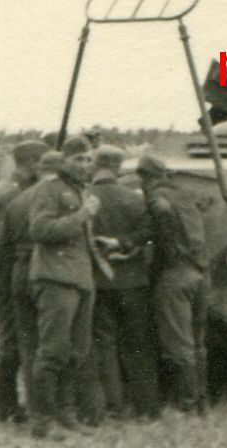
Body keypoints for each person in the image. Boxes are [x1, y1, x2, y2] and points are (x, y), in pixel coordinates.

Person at [27, 136, 107, 440]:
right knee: (52, 352)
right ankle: (42, 421)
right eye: (78, 159)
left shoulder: (82, 190)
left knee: (76, 352)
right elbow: (40, 230)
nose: (85, 165)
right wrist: (82, 216)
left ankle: (65, 413)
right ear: (64, 161)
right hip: (56, 279)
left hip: (80, 279)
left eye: (88, 159)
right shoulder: (48, 190)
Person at [86, 145, 160, 420]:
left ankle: (115, 405)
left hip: (99, 281)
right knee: (138, 344)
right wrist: (124, 243)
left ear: (96, 164)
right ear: (118, 167)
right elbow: (149, 232)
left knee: (104, 344)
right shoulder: (135, 198)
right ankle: (147, 408)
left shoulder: (86, 198)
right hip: (133, 281)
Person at [0, 140, 49, 422]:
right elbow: (5, 244)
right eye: (42, 164)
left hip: (2, 274)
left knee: (14, 341)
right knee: (11, 342)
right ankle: (1, 405)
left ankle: (3, 402)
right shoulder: (12, 194)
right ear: (31, 163)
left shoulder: (7, 188)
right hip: (5, 277)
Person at [0, 149, 61, 434]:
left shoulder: (16, 202)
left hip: (19, 277)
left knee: (29, 346)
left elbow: (0, 250)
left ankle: (36, 411)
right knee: (55, 345)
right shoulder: (61, 200)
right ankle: (56, 410)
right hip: (53, 277)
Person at [138, 155, 209, 415]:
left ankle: (187, 406)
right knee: (197, 343)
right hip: (199, 273)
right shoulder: (185, 194)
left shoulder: (158, 198)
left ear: (144, 177)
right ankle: (201, 402)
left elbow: (162, 214)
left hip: (175, 275)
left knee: (178, 345)